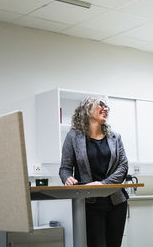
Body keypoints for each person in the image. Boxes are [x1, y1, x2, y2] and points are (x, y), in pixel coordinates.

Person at [59, 97, 129, 247]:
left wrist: (103, 184)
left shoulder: (115, 137)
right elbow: (65, 168)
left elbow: (123, 167)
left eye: (107, 106)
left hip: (116, 202)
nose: (105, 109)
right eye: (101, 105)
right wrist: (67, 178)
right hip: (90, 203)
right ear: (87, 109)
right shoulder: (73, 137)